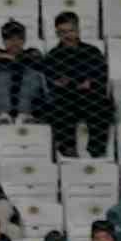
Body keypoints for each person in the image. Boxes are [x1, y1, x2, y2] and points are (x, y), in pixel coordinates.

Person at [43, 11, 112, 159]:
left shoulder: (92, 52)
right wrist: (72, 82)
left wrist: (89, 82)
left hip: (89, 96)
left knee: (102, 104)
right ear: (57, 33)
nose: (67, 35)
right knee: (59, 105)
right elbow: (51, 81)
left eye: (71, 31)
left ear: (78, 30)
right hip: (65, 98)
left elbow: (101, 76)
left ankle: (96, 151)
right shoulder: (52, 56)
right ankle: (68, 149)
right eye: (63, 32)